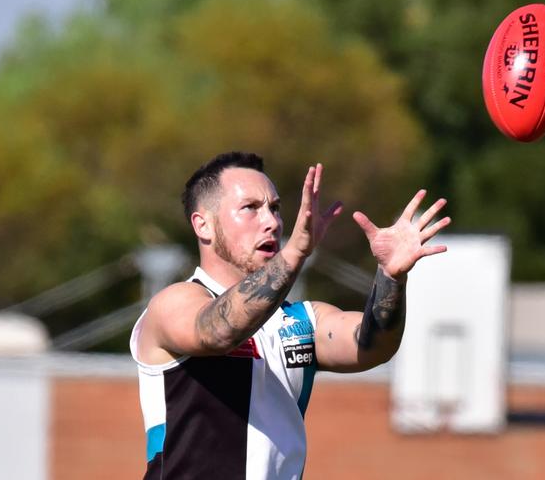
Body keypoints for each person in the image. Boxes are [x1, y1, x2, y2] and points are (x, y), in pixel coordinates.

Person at [130, 151, 451, 479]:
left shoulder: (302, 321)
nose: (272, 222)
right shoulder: (174, 304)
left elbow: (374, 346)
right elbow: (218, 332)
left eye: (275, 208)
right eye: (250, 208)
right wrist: (295, 251)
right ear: (204, 225)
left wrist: (391, 277)